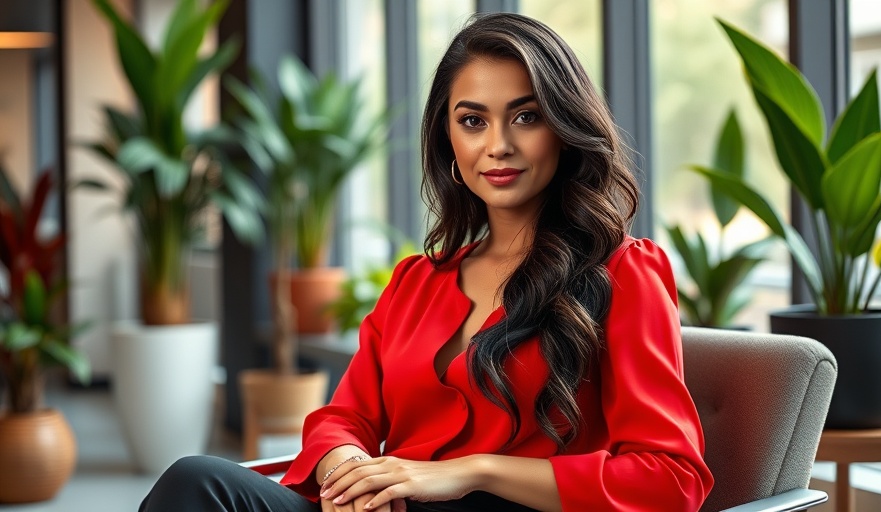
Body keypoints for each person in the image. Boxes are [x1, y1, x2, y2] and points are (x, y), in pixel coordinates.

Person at [139, 11, 713, 512]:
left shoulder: (624, 275)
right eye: (472, 120)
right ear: (448, 140)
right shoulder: (417, 282)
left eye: (525, 116)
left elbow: (671, 480)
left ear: (564, 129)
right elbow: (345, 418)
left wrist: (471, 471)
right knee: (197, 481)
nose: (498, 146)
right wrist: (348, 473)